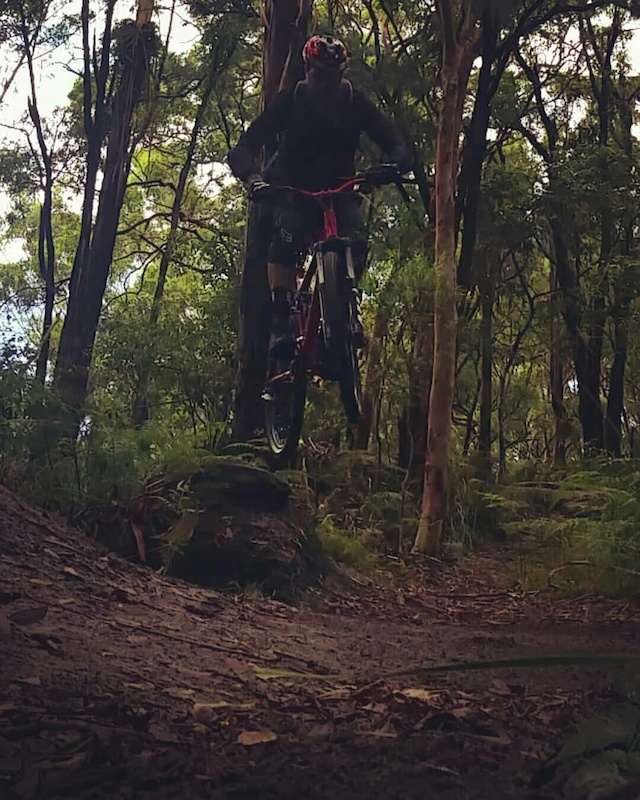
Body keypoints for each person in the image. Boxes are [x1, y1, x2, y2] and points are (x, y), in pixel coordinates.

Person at [227, 33, 411, 358]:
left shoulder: (356, 103)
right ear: (306, 69)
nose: (322, 82)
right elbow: (246, 145)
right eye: (316, 73)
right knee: (285, 232)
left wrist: (391, 165)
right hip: (292, 188)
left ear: (341, 74)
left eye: (330, 75)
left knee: (355, 242)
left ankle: (344, 310)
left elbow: (394, 143)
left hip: (338, 189)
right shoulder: (291, 101)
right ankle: (282, 320)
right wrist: (254, 179)